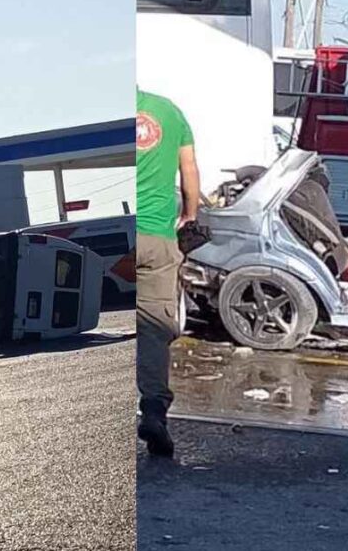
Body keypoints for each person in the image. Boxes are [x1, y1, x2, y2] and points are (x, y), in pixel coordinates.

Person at [135, 89, 200, 458]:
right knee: (153, 328)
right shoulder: (169, 111)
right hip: (157, 238)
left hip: (116, 239)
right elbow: (188, 171)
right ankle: (154, 411)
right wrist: (189, 215)